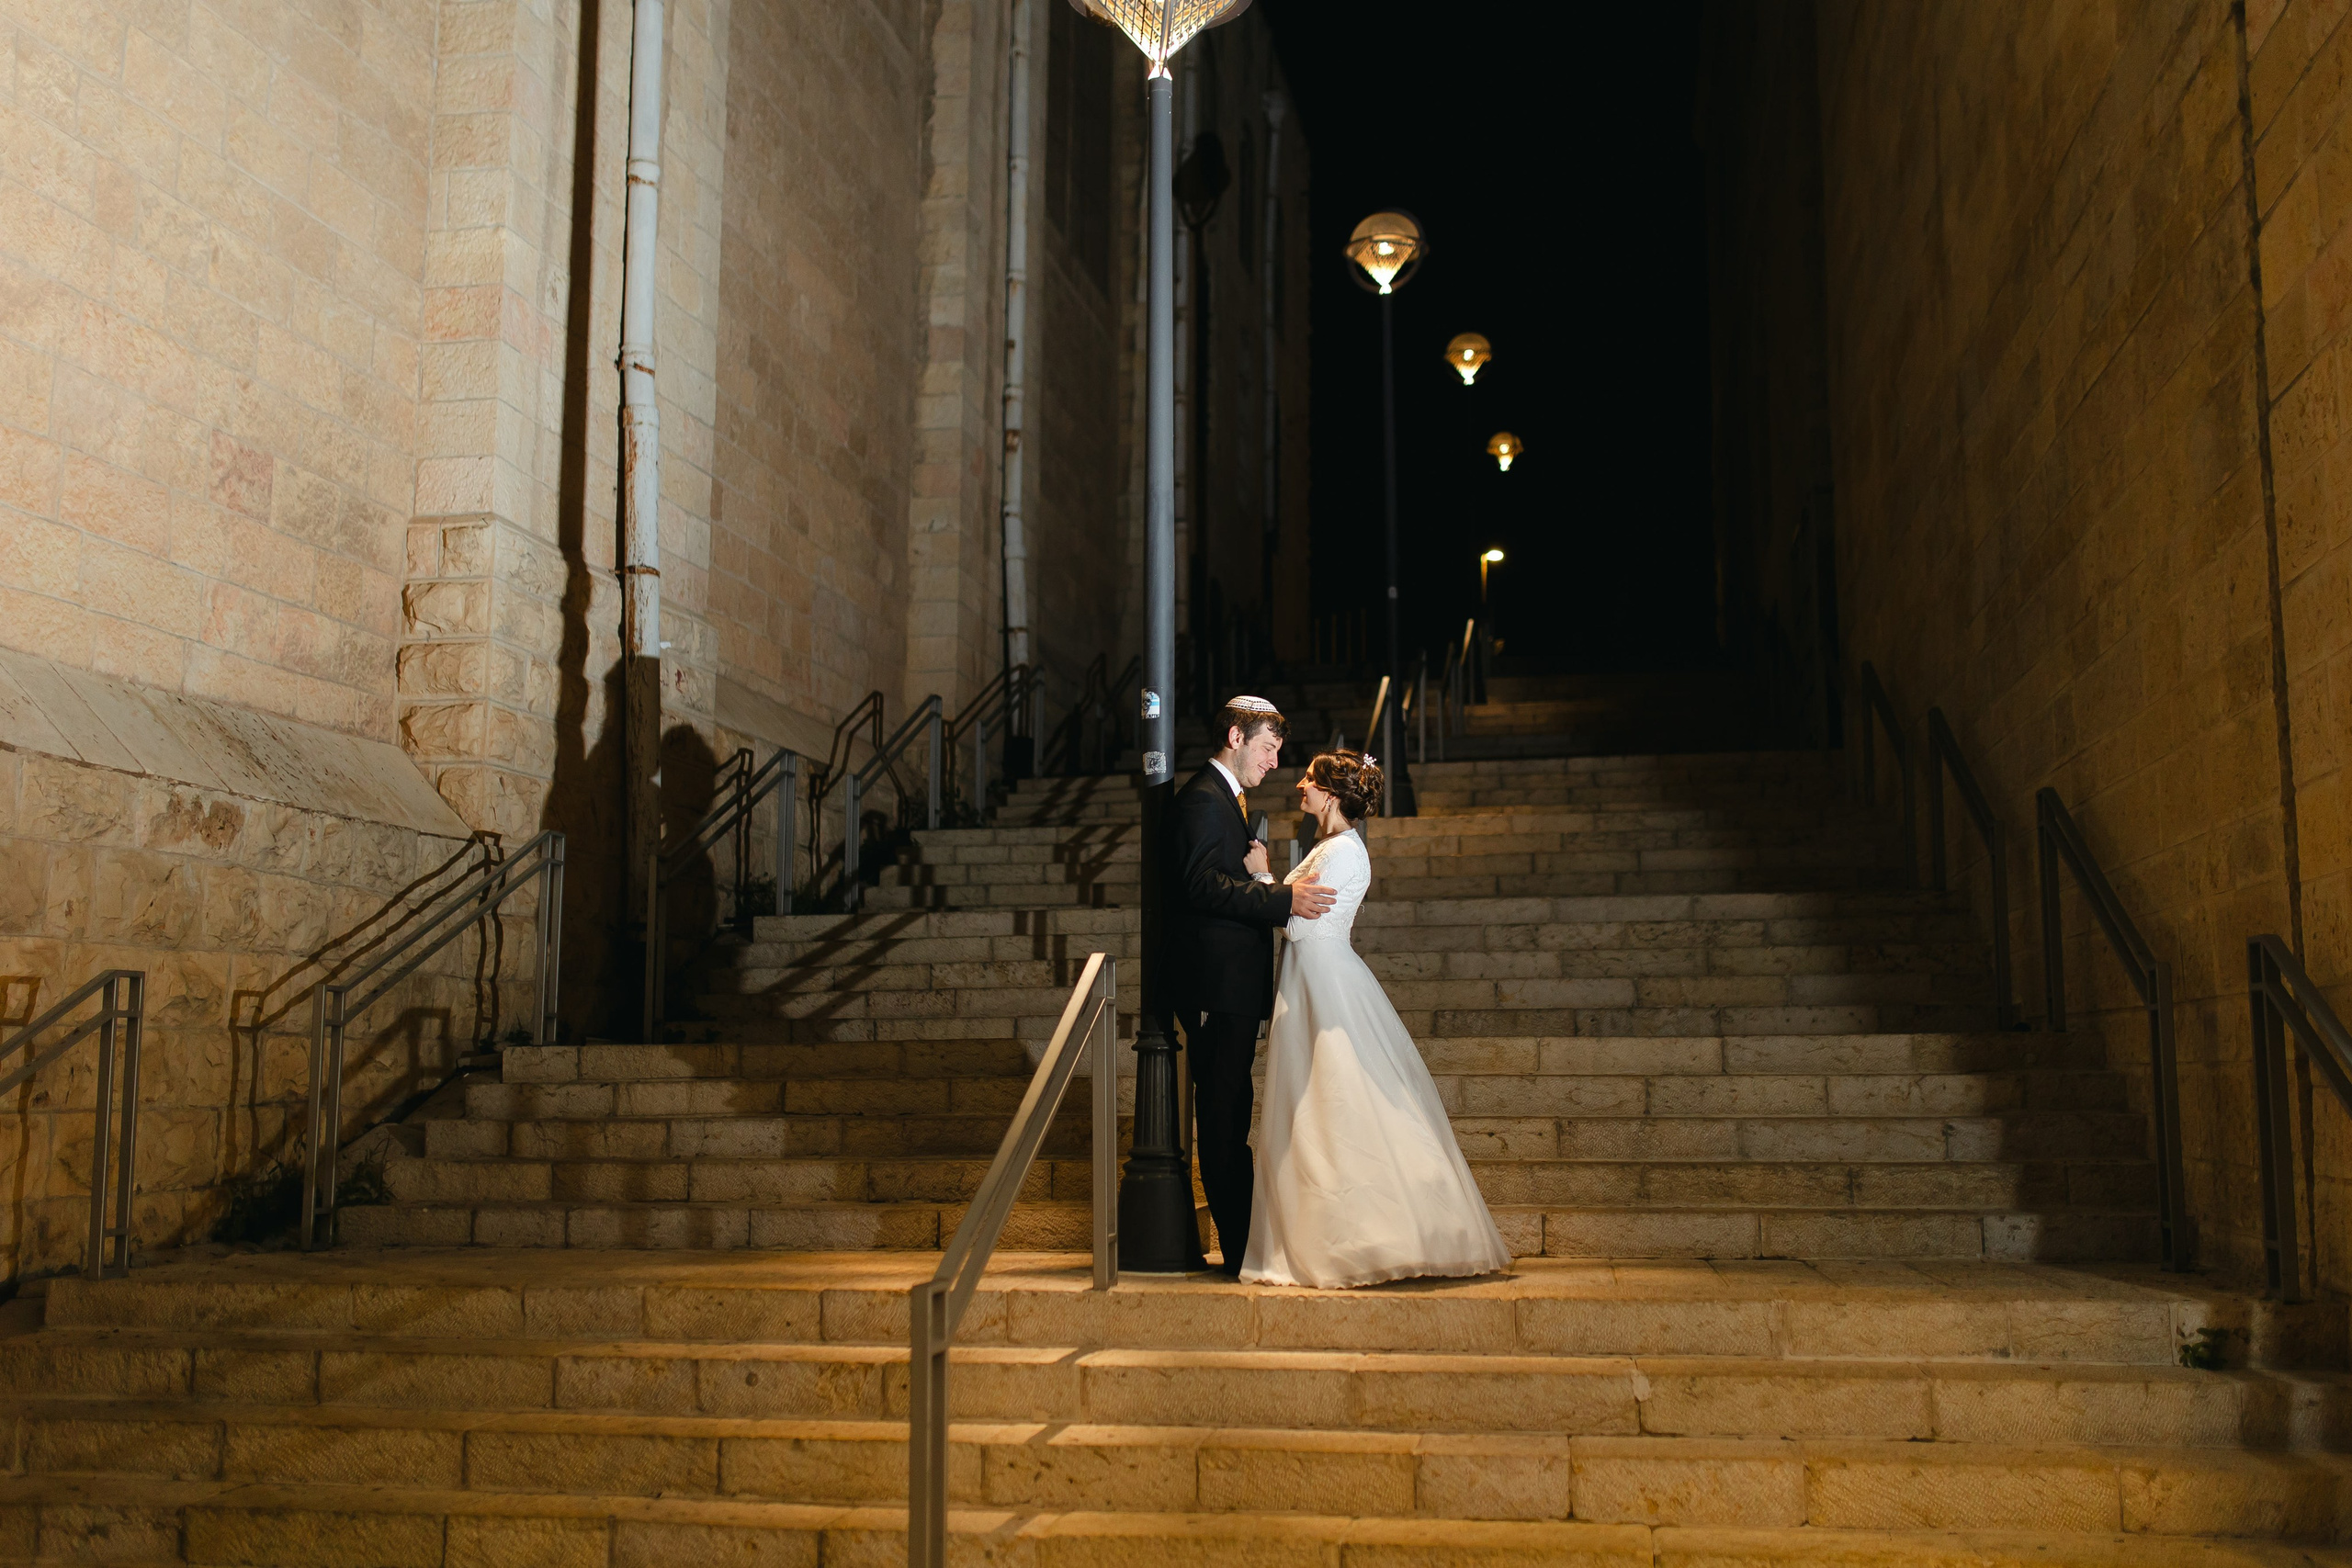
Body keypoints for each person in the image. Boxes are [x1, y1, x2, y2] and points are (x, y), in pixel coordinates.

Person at [1241, 749, 1513, 1289]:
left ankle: (1375, 1235)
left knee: (1338, 1099)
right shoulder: (1328, 847)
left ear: (1333, 794)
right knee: (1323, 1105)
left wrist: (1263, 875)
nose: (1300, 785)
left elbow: (1304, 928)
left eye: (1311, 781)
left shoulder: (1342, 852)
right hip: (1311, 982)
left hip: (1325, 984)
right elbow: (1294, 907)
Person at [1166, 697, 1336, 1276]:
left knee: (1230, 1114)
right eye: (1267, 749)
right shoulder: (1200, 800)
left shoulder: (1226, 800)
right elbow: (1200, 887)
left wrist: (1260, 873)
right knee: (1222, 1118)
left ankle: (1245, 1249)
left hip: (1231, 988)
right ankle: (1242, 1254)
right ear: (1235, 737)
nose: (1273, 763)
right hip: (1215, 990)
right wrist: (1280, 897)